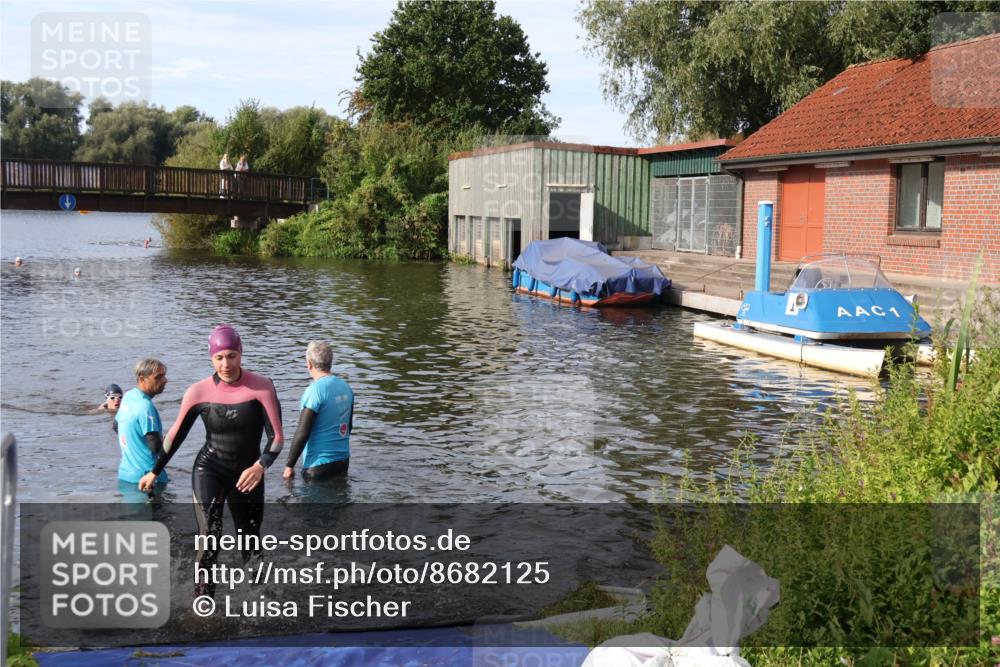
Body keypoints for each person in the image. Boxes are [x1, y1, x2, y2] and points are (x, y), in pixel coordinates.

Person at [139, 325, 283, 598]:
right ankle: (203, 601)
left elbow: (276, 437)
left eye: (231, 356)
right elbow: (174, 435)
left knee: (250, 539)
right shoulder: (198, 392)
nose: (225, 364)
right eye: (219, 358)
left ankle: (260, 601)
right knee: (209, 535)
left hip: (248, 475)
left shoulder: (262, 387)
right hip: (210, 469)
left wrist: (260, 466)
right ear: (211, 358)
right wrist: (154, 471)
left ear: (240, 354)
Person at [284, 341, 354, 481]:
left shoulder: (314, 391)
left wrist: (289, 466)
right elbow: (349, 426)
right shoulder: (346, 387)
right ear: (330, 362)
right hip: (343, 462)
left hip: (318, 466)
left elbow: (302, 433)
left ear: (309, 363)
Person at [116, 360, 169, 491]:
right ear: (142, 379)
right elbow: (155, 446)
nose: (165, 380)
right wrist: (169, 439)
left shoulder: (128, 397)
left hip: (126, 475)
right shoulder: (146, 407)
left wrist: (134, 444)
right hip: (148, 479)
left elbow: (116, 426)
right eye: (158, 377)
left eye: (164, 375)